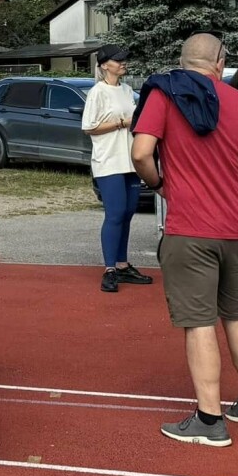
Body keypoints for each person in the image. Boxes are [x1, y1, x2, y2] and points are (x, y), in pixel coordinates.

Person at [131, 33, 238, 445]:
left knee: (199, 323)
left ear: (184, 60)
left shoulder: (165, 95)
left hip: (190, 231)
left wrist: (160, 185)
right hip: (235, 229)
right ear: (219, 63)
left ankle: (209, 420)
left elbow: (140, 153)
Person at [82, 44, 154, 294]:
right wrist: (123, 122)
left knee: (127, 213)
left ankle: (122, 265)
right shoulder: (97, 93)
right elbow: (89, 127)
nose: (123, 62)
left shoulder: (126, 90)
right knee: (114, 214)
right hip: (108, 161)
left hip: (129, 161)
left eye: (124, 59)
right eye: (118, 60)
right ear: (104, 65)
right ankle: (109, 269)